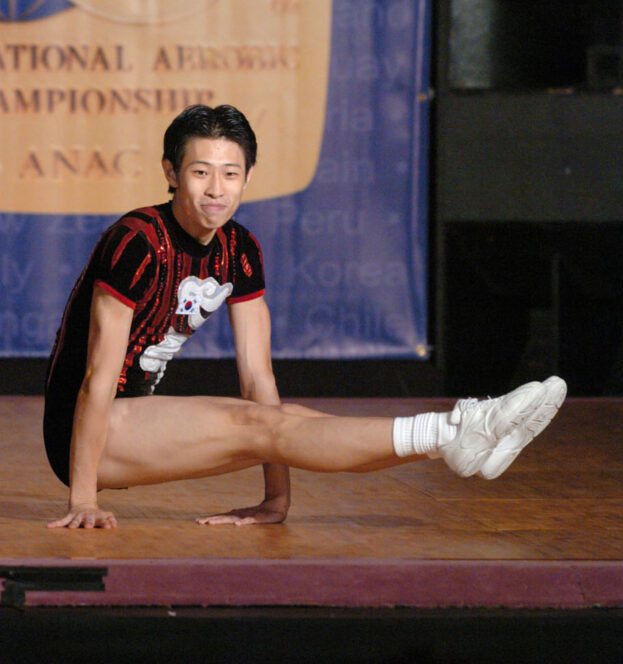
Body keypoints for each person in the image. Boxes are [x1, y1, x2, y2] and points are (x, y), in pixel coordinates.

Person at [43, 104, 566, 529]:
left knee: (287, 418)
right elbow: (95, 378)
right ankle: (460, 426)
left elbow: (258, 379)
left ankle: (452, 441)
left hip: (133, 425)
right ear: (171, 173)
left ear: (248, 176)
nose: (216, 189)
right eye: (200, 172)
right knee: (258, 423)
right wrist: (83, 498)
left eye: (230, 173)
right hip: (83, 434)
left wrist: (275, 501)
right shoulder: (137, 242)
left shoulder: (239, 249)